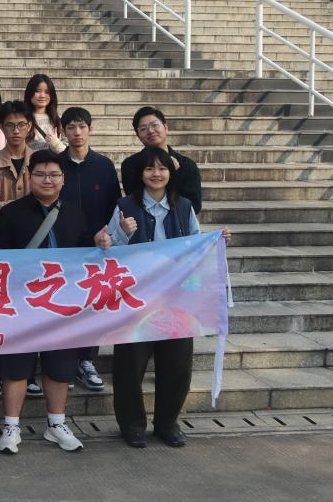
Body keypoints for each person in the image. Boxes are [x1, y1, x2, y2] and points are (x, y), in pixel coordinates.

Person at [97, 146, 230, 449]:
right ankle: (132, 425)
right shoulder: (124, 207)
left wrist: (218, 240)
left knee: (177, 364)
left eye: (162, 168)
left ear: (171, 174)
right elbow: (109, 251)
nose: (156, 174)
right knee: (130, 365)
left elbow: (196, 246)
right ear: (140, 174)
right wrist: (120, 233)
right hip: (135, 299)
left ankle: (167, 424)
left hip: (177, 299)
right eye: (149, 168)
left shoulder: (183, 207)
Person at [0, 150, 91, 455]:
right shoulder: (12, 212)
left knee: (60, 364)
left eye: (54, 175)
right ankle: (11, 427)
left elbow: (86, 255)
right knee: (16, 365)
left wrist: (103, 243)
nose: (48, 180)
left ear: (63, 179)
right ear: (29, 178)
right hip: (22, 302)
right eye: (41, 174)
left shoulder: (75, 213)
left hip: (62, 303)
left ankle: (56, 425)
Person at [0, 100, 37, 399]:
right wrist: (23, 208)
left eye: (21, 124)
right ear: (1, 126)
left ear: (30, 126)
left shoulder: (40, 162)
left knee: (32, 311)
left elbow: (48, 197)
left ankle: (30, 374)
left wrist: (6, 206)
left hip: (34, 248)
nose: (16, 130)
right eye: (10, 125)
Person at [58, 106, 121, 393]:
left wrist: (109, 236)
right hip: (64, 249)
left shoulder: (103, 166)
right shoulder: (56, 165)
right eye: (71, 127)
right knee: (65, 305)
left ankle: (86, 360)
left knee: (93, 305)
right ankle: (64, 362)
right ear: (63, 131)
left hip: (97, 248)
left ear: (90, 130)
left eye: (82, 126)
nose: (77, 132)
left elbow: (114, 206)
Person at [121, 106, 203, 214]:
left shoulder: (187, 166)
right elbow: (134, 202)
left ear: (166, 127)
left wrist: (174, 174)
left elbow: (194, 207)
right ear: (138, 135)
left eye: (155, 125)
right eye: (143, 128)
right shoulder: (130, 165)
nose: (150, 131)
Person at [25, 73, 66, 154]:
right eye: (38, 91)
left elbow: (67, 152)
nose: (42, 96)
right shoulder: (23, 119)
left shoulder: (58, 120)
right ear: (30, 93)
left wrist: (55, 143)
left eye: (47, 92)